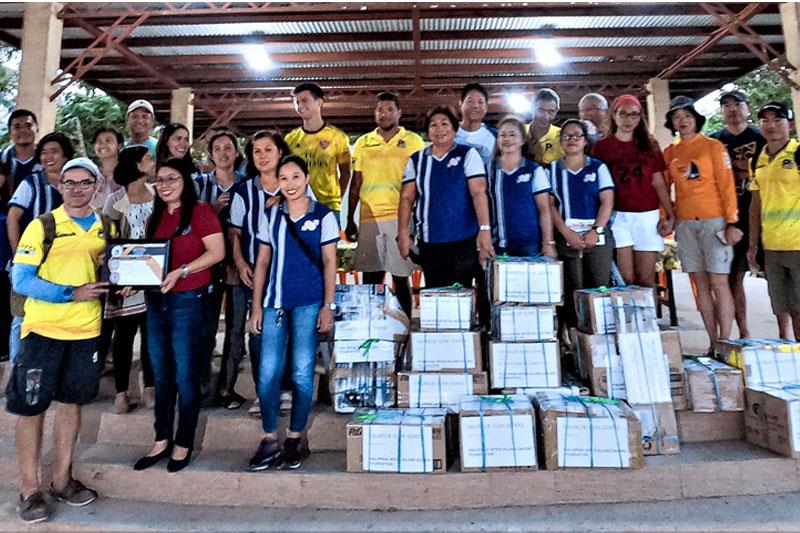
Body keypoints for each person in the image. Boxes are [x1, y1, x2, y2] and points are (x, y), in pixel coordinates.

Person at [6, 157, 111, 523]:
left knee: (71, 405)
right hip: (43, 331)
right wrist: (70, 293)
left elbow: (111, 273)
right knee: (30, 409)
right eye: (70, 182)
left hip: (86, 333)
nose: (77, 188)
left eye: (85, 182)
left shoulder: (108, 226)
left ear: (97, 185)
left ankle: (62, 480)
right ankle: (30, 489)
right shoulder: (42, 225)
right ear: (60, 186)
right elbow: (21, 280)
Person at [248, 154, 338, 471]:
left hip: (309, 303)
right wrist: (256, 306)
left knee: (301, 373)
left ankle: (295, 437)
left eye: (295, 177)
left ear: (307, 179)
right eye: (283, 178)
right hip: (274, 302)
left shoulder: (324, 216)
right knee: (268, 373)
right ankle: (269, 438)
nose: (289, 184)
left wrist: (328, 305)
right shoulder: (269, 216)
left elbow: (330, 263)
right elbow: (261, 263)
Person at [133, 158, 224, 473]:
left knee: (186, 374)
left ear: (185, 180)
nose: (165, 185)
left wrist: (183, 271)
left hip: (188, 300)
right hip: (156, 302)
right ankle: (161, 438)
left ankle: (183, 440)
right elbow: (148, 262)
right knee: (161, 373)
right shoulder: (154, 217)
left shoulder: (201, 212)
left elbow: (217, 252)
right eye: (159, 180)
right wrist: (132, 283)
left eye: (171, 178)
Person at [663, 96, 740, 351]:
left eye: (687, 115)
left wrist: (731, 221)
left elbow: (727, 185)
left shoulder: (713, 146)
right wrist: (667, 217)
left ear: (696, 119)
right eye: (676, 117)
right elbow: (664, 187)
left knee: (720, 281)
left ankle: (726, 339)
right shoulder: (671, 152)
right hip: (686, 224)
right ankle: (712, 341)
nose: (682, 121)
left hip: (714, 222)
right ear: (671, 123)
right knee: (701, 284)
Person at [397, 106, 494, 292]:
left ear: (454, 128)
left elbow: (478, 193)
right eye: (433, 125)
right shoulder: (416, 160)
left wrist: (485, 230)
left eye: (444, 124)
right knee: (436, 295)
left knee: (461, 295)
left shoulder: (468, 154)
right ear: (428, 131)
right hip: (430, 242)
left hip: (463, 241)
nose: (439, 129)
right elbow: (406, 198)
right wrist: (402, 233)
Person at [345, 92, 424, 317]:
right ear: (374, 113)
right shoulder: (363, 143)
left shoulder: (414, 141)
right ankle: (370, 331)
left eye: (390, 109)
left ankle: (405, 331)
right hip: (369, 219)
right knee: (371, 280)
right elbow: (355, 182)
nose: (384, 114)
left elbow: (419, 181)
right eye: (380, 109)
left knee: (401, 278)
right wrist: (351, 218)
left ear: (399, 113)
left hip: (401, 218)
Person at [229, 131, 292, 415]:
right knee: (257, 333)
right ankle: (263, 392)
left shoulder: (296, 186)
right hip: (254, 274)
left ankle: (287, 388)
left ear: (280, 152)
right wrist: (241, 263)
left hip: (288, 273)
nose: (263, 156)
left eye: (269, 149)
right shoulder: (243, 191)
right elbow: (235, 232)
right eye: (257, 151)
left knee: (287, 329)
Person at [591, 94, 675, 288]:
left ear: (640, 117)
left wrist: (670, 214)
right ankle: (629, 319)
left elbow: (658, 182)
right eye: (623, 114)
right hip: (618, 216)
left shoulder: (650, 145)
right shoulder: (601, 147)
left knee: (646, 279)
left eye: (634, 115)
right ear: (614, 115)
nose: (628, 120)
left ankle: (649, 319)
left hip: (647, 215)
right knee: (625, 279)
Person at [7, 132, 72, 363]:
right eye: (43, 152)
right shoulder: (31, 183)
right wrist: (18, 255)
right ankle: (17, 371)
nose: (48, 157)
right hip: (31, 263)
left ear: (66, 155)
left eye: (54, 151)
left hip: (66, 265)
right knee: (21, 318)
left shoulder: (75, 184)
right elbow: (13, 217)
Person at [102, 146, 156, 413]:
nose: (152, 162)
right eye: (147, 158)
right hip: (125, 276)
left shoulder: (157, 195)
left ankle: (150, 387)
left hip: (152, 273)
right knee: (124, 335)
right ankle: (121, 392)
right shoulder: (117, 200)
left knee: (151, 333)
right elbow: (109, 237)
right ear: (135, 164)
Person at [710, 90, 767, 339]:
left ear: (748, 107)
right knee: (733, 277)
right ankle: (744, 332)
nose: (732, 109)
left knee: (775, 276)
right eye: (726, 105)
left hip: (763, 214)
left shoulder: (763, 137)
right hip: (728, 218)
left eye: (737, 104)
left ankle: (788, 333)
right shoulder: (713, 142)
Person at [548, 119, 615, 329]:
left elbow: (607, 200)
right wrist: (566, 233)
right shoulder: (551, 170)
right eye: (566, 136)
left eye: (577, 135)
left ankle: (599, 338)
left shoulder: (598, 167)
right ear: (559, 141)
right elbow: (549, 205)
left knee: (598, 287)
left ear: (585, 140)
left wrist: (596, 230)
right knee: (570, 289)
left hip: (597, 238)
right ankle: (573, 339)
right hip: (566, 238)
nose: (571, 140)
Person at [748, 102, 800, 340]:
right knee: (779, 303)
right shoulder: (757, 159)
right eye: (765, 120)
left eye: (777, 120)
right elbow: (755, 204)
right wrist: (753, 244)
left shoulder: (798, 153)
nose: (771, 126)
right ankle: (787, 350)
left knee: (799, 306)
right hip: (771, 245)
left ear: (789, 124)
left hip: (797, 243)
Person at [489, 115, 555, 258]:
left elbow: (544, 209)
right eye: (502, 135)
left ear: (523, 140)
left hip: (530, 244)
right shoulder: (489, 170)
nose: (507, 139)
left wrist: (548, 243)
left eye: (512, 135)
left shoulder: (534, 170)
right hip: (499, 244)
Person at [285, 83, 350, 217]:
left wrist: (337, 198)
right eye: (297, 102)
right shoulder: (290, 139)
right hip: (299, 205)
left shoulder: (338, 137)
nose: (300, 106)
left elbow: (345, 173)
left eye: (304, 101)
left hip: (329, 206)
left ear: (319, 102)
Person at [455, 83, 497, 169]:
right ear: (460, 104)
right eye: (470, 101)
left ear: (486, 107)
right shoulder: (448, 133)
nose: (476, 106)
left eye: (480, 102)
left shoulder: (496, 136)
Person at [1, 109, 41, 192]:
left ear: (37, 128)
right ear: (10, 133)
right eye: (17, 127)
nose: (23, 130)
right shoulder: (2, 159)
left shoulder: (47, 159)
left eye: (28, 125)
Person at [524, 88, 564, 166]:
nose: (546, 116)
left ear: (556, 111)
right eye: (541, 110)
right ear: (532, 109)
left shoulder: (562, 136)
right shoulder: (519, 132)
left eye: (551, 111)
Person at [90, 127, 124, 210]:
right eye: (98, 141)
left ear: (119, 145)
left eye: (108, 140)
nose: (102, 145)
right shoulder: (91, 174)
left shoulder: (129, 173)